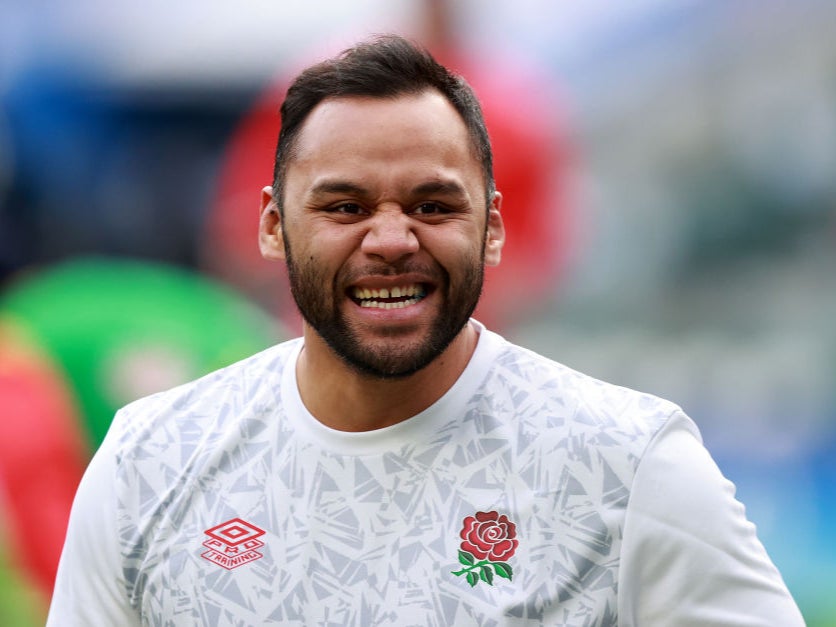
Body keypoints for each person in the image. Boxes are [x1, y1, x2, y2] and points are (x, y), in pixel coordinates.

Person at [47, 35, 804, 626]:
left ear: (494, 229)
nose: (390, 239)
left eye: (433, 205)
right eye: (344, 206)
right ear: (273, 228)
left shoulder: (628, 464)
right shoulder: (149, 460)